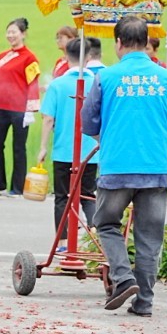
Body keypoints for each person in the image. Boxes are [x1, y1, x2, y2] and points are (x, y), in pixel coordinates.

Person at [82, 16, 167, 317]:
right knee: (149, 237)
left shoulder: (106, 78)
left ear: (118, 42)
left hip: (117, 166)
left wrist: (108, 137)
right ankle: (144, 303)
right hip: (156, 166)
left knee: (107, 222)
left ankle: (123, 279)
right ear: (147, 42)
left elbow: (88, 121)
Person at [37, 37, 104, 251]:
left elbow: (48, 119)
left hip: (64, 151)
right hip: (92, 151)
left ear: (66, 57)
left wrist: (43, 147)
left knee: (62, 198)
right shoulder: (98, 82)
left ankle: (63, 242)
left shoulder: (57, 85)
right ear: (88, 58)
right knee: (88, 195)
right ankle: (96, 237)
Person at [0, 17, 40, 196]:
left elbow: (33, 83)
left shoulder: (29, 58)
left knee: (18, 147)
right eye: (9, 32)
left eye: (14, 32)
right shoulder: (2, 56)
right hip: (2, 107)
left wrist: (30, 109)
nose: (11, 35)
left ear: (23, 34)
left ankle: (18, 186)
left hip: (19, 109)